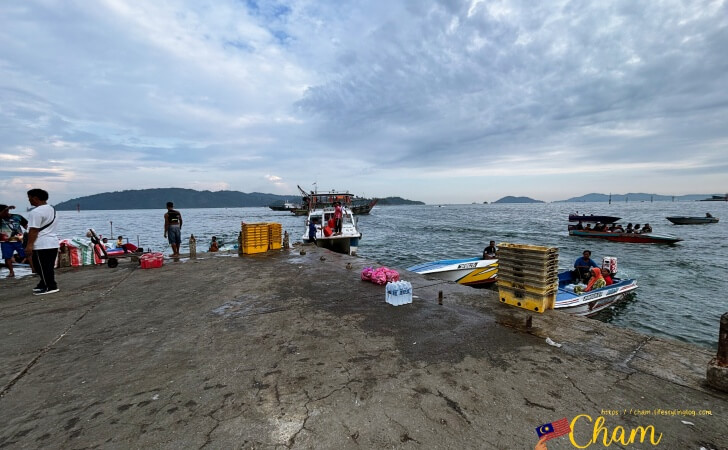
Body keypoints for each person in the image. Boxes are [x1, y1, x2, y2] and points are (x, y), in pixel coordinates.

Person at [24, 189, 60, 295]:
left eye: (29, 198)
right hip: (52, 242)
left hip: (41, 244)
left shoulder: (36, 212)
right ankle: (43, 283)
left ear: (35, 198)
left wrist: (29, 245)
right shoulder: (52, 210)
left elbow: (33, 230)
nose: (29, 200)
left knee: (42, 267)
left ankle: (50, 286)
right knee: (46, 266)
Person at [1, 204, 28, 278]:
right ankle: (11, 272)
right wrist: (5, 209)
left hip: (18, 240)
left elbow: (26, 225)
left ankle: (33, 269)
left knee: (27, 254)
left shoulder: (17, 217)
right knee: (7, 257)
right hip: (5, 242)